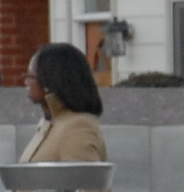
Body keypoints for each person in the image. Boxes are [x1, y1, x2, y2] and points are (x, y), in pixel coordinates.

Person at [14, 41, 112, 180]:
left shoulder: (76, 128)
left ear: (49, 80)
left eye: (30, 76)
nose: (25, 81)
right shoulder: (50, 124)